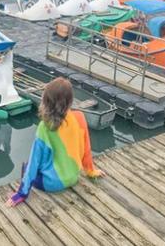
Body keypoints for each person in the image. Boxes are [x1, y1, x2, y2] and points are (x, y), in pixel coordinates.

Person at [6, 77, 103, 206]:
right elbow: (86, 149)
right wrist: (91, 172)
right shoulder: (80, 117)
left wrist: (21, 194)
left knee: (27, 165)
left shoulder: (45, 127)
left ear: (46, 101)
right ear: (70, 101)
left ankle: (23, 189)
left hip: (50, 184)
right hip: (73, 177)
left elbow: (34, 164)